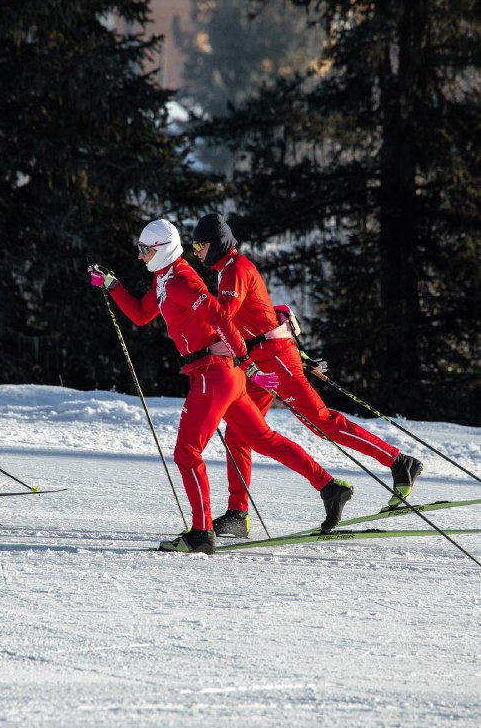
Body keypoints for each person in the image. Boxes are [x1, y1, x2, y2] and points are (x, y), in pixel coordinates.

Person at [89, 218, 354, 554]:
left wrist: (249, 364)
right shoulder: (164, 279)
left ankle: (201, 533)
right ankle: (329, 486)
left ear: (163, 249)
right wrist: (113, 285)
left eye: (146, 250)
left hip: (212, 374)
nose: (141, 256)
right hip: (221, 375)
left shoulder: (182, 281)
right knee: (261, 438)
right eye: (140, 250)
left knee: (187, 453)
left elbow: (221, 317)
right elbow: (142, 315)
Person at [191, 212, 423, 538]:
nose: (196, 251)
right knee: (238, 433)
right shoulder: (226, 272)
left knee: (319, 420)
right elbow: (258, 316)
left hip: (274, 358)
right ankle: (238, 513)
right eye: (193, 245)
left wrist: (187, 307)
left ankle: (399, 462)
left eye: (200, 244)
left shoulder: (235, 270)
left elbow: (223, 319)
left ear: (216, 244)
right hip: (259, 364)